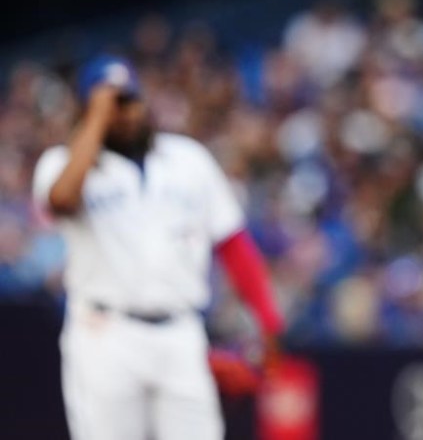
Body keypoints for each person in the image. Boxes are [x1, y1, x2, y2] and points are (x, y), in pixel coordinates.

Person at [32, 54, 284, 440]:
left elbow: (233, 242)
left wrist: (266, 320)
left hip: (181, 333)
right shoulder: (62, 163)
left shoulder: (187, 159)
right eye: (112, 104)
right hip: (105, 334)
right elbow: (61, 200)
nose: (126, 113)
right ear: (87, 110)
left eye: (129, 99)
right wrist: (97, 121)